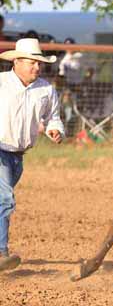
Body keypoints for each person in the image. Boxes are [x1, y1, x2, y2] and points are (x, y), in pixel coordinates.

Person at [0, 38, 64, 271]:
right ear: (16, 62)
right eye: (32, 63)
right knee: (4, 200)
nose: (37, 67)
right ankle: (1, 253)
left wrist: (54, 129)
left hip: (18, 155)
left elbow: (52, 117)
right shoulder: (1, 83)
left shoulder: (46, 90)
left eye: (39, 63)